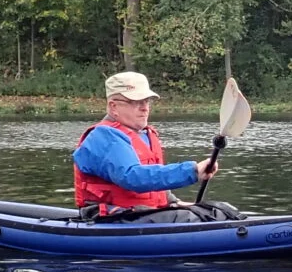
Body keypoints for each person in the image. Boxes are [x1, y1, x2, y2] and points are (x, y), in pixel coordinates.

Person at [71, 71, 240, 222]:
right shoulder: (103, 137)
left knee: (219, 210)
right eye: (135, 102)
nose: (144, 108)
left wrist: (173, 202)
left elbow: (152, 181)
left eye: (146, 101)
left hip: (138, 214)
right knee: (196, 218)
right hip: (111, 218)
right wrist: (192, 171)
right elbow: (133, 177)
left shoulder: (144, 135)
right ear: (113, 106)